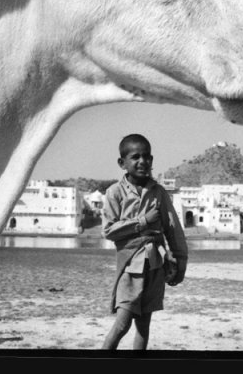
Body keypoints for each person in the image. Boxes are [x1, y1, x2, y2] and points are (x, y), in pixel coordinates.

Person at [102, 134, 188, 350]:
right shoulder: (115, 192)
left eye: (147, 157)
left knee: (143, 325)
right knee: (122, 324)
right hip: (130, 268)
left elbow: (173, 230)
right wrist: (142, 222)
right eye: (135, 157)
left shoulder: (158, 193)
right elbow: (109, 230)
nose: (142, 162)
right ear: (122, 163)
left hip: (155, 266)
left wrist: (181, 263)